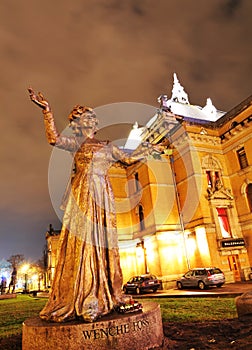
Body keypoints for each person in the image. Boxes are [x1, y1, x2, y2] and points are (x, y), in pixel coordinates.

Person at [28, 88, 160, 323]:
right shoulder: (75, 144)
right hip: (82, 193)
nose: (89, 120)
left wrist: (149, 148)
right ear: (78, 124)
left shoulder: (108, 146)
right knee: (84, 241)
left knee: (104, 241)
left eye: (91, 117)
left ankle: (108, 293)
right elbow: (53, 139)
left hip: (104, 194)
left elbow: (129, 158)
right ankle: (84, 293)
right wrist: (47, 111)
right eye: (83, 118)